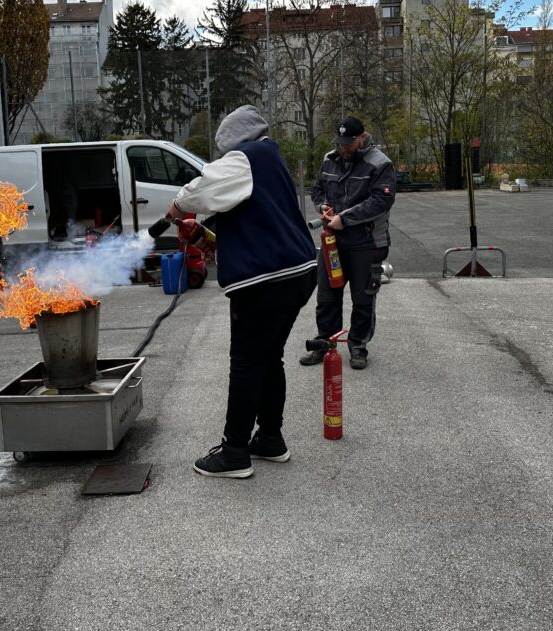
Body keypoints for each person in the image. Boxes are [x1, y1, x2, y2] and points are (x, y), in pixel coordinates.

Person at [166, 105, 317, 479]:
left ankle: (234, 452)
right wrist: (201, 235)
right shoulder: (271, 159)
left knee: (247, 363)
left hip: (267, 282)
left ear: (232, 142)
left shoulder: (247, 157)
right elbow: (248, 222)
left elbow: (203, 188)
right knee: (269, 358)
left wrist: (178, 206)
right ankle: (270, 439)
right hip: (297, 273)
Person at [300, 116, 396, 370]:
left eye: (349, 142)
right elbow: (317, 188)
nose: (343, 147)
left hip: (366, 242)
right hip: (333, 242)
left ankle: (358, 347)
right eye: (340, 142)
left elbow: (382, 200)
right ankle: (325, 343)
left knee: (363, 299)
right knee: (326, 296)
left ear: (362, 138)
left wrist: (345, 218)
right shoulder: (329, 159)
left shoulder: (380, 164)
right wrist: (322, 205)